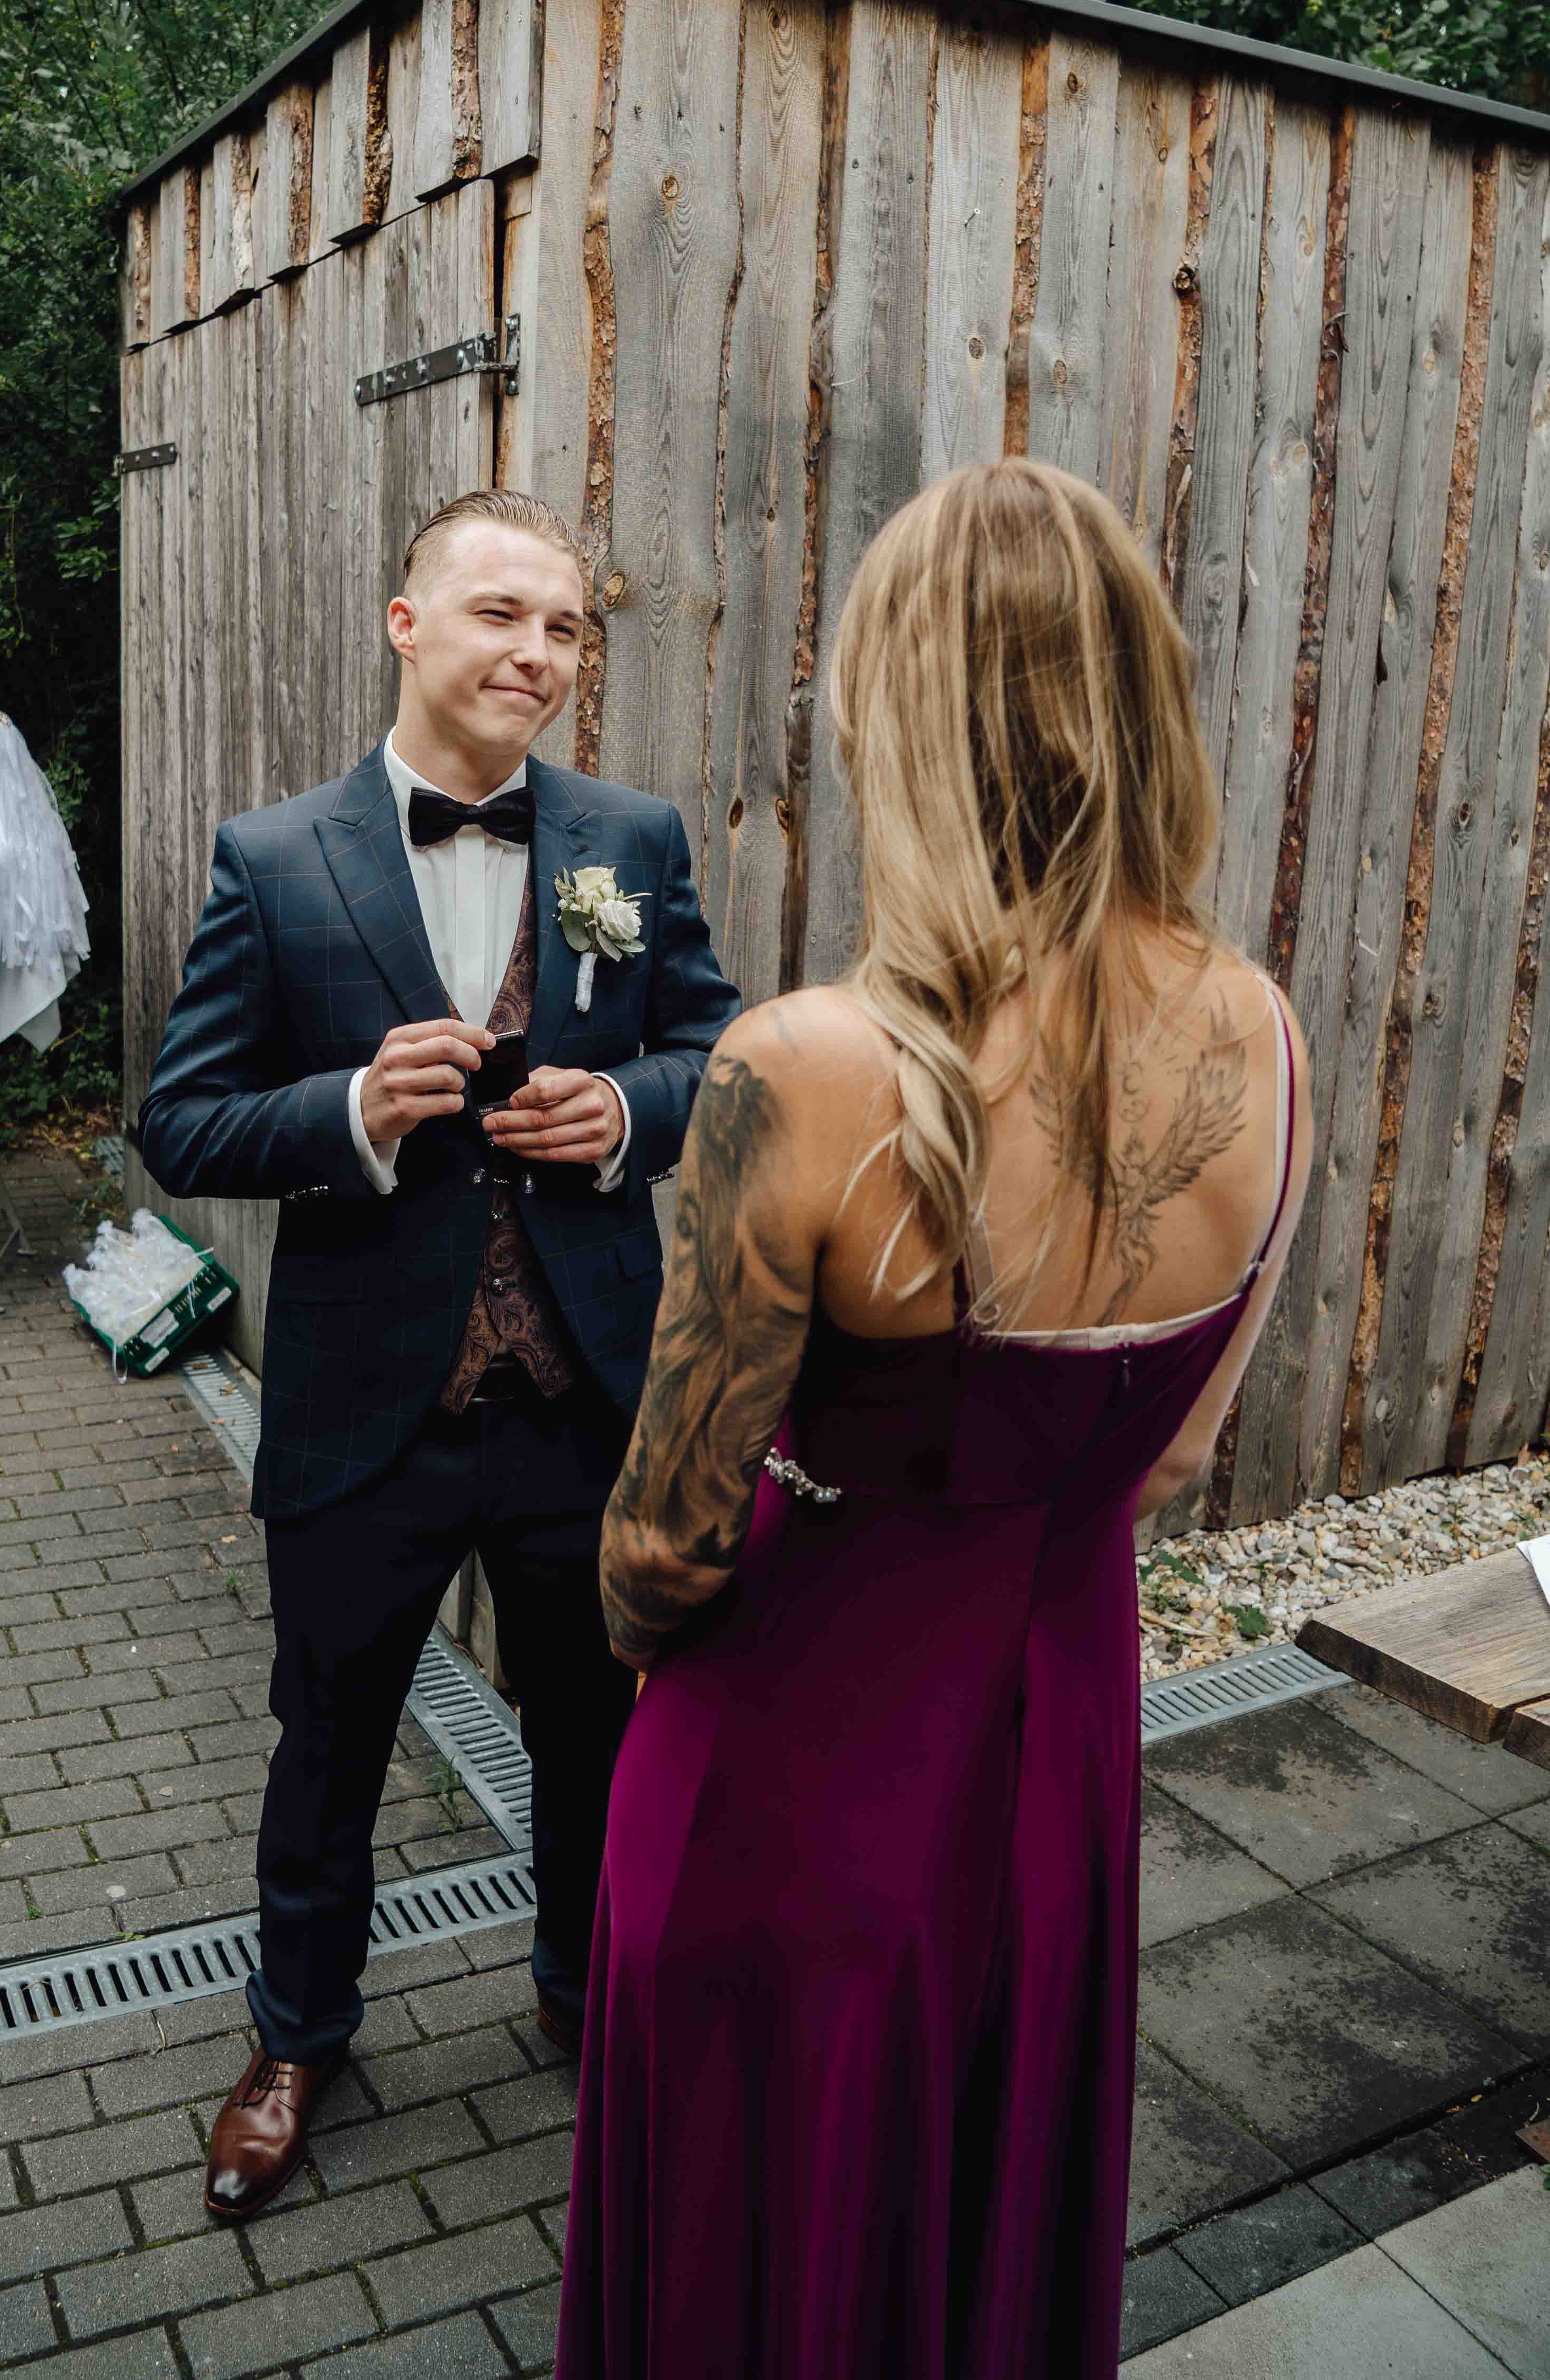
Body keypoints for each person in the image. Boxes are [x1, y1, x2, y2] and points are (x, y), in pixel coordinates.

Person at [558, 459, 1312, 2380]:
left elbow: (661, 1543)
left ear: (900, 723)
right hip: (1051, 1750)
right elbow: (1174, 1456)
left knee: (756, 2243)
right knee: (974, 2211)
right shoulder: (1266, 1029)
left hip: (790, 1767)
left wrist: (653, 1634)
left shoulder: (804, 1068)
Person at [137, 486, 739, 2227]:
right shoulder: (277, 856)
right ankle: (292, 2040)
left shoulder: (630, 837)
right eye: (500, 616)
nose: (537, 656)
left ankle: (585, 1992)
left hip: (582, 1397)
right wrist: (346, 1112)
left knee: (593, 1739)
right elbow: (185, 1118)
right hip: (364, 1409)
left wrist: (622, 1104)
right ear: (406, 625)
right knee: (326, 1741)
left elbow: (712, 1047)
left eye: (563, 628)